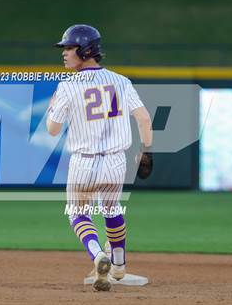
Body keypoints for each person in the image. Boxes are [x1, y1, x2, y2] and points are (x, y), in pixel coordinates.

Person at [46, 24, 153, 291]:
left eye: (70, 48)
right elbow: (143, 118)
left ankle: (97, 255)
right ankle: (119, 265)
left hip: (84, 161)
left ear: (85, 50)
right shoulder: (121, 81)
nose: (65, 53)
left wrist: (52, 105)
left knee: (78, 214)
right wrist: (146, 150)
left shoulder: (68, 86)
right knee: (111, 209)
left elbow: (52, 129)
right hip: (116, 161)